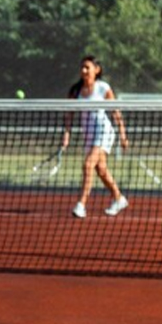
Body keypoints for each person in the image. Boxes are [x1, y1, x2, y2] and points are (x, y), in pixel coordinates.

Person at [61, 55, 130, 218]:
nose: (84, 70)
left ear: (96, 70)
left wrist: (123, 135)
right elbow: (69, 115)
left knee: (88, 165)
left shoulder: (103, 88)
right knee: (101, 170)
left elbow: (116, 112)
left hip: (104, 131)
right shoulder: (75, 91)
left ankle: (81, 204)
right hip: (89, 134)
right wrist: (66, 135)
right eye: (82, 67)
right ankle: (119, 198)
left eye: (87, 67)